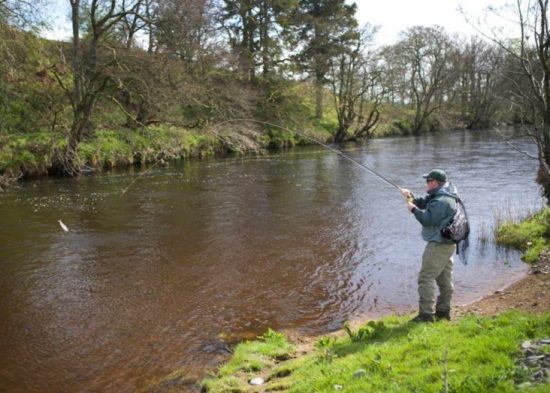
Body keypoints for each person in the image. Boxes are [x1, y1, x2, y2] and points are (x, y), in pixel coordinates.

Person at [400, 169, 458, 322]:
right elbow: (426, 202)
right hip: (448, 244)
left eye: (427, 181)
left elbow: (427, 219)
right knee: (444, 280)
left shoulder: (441, 200)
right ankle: (443, 311)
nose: (426, 183)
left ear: (434, 182)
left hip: (439, 245)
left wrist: (413, 210)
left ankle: (426, 315)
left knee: (426, 277)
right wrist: (410, 196)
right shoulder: (446, 194)